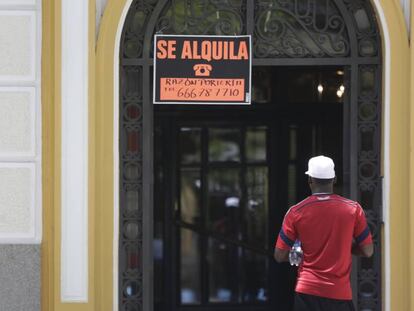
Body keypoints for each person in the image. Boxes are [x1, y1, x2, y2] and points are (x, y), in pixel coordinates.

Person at [274, 155, 373, 311]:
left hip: (306, 292)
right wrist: (346, 247)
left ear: (310, 180)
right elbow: (368, 251)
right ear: (334, 179)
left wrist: (300, 255)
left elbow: (279, 255)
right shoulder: (353, 209)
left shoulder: (295, 212)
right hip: (340, 294)